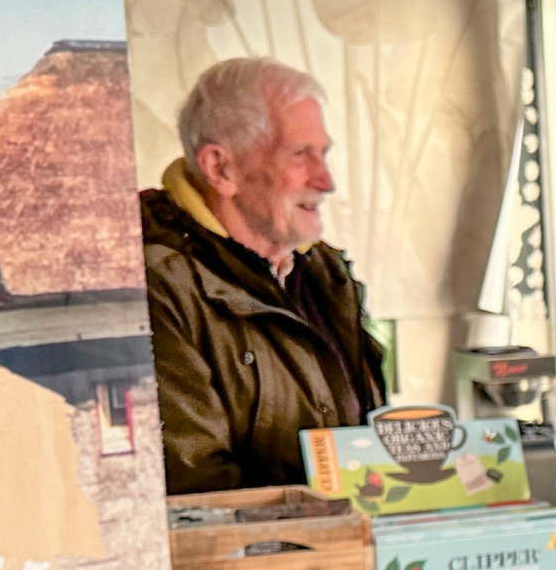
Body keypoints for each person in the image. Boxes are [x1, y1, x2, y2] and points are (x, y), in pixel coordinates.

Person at [142, 57, 389, 493]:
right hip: (267, 540)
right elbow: (199, 489)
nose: (326, 180)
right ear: (221, 169)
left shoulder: (326, 274)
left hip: (342, 534)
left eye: (323, 154)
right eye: (300, 155)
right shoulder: (158, 287)